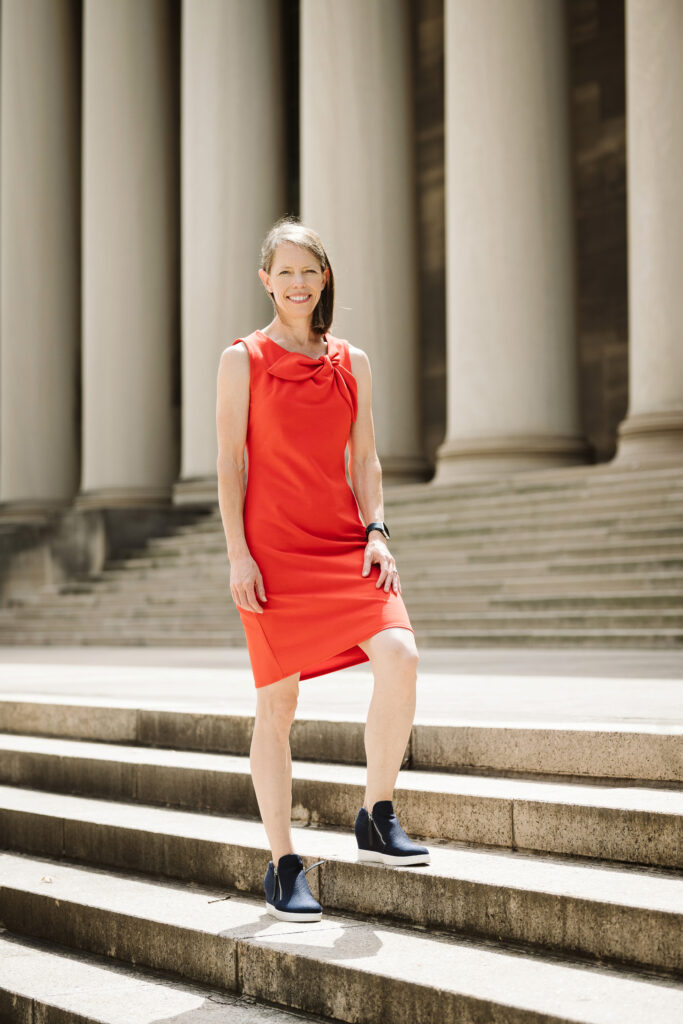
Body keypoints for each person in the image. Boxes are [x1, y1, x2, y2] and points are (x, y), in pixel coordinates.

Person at [215, 215, 430, 923]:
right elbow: (230, 465)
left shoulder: (353, 362)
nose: (298, 283)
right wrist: (237, 555)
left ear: (324, 277)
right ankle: (282, 862)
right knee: (278, 707)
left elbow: (364, 459)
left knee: (399, 654)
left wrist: (376, 529)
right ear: (265, 281)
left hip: (344, 541)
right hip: (271, 554)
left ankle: (376, 810)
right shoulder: (241, 359)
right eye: (285, 272)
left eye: (309, 270)